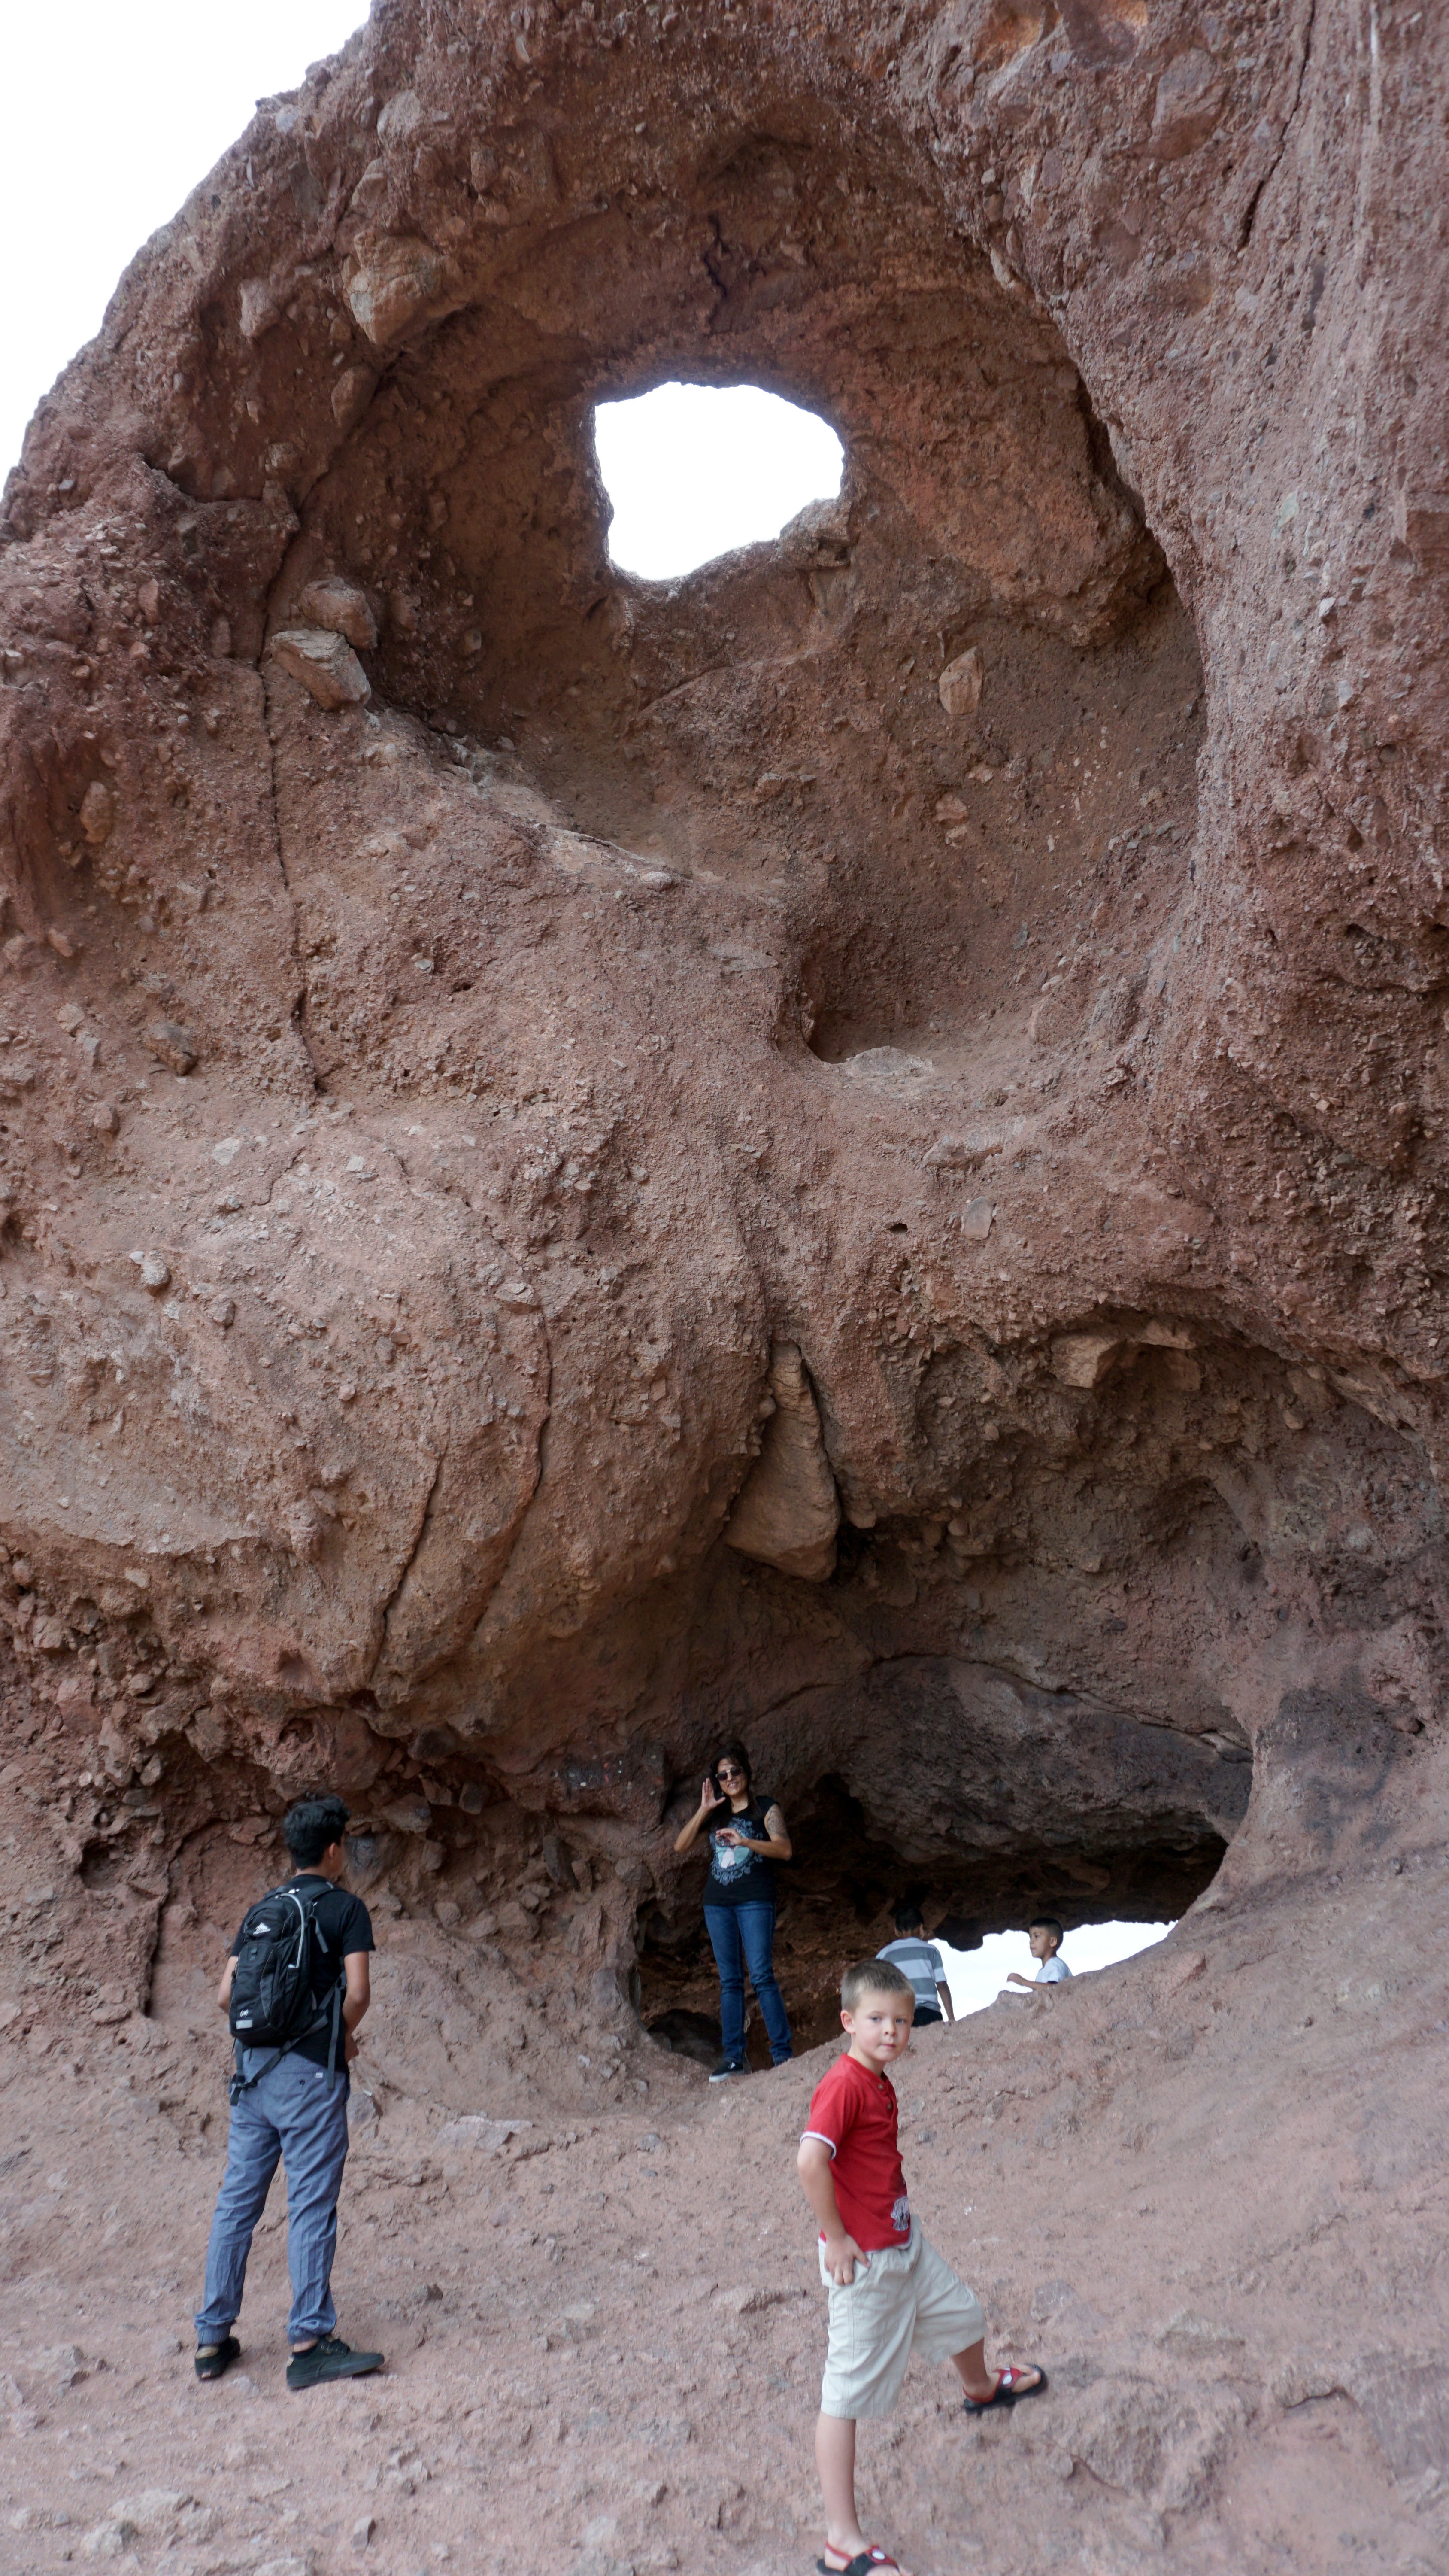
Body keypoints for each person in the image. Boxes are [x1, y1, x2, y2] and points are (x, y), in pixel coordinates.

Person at [797, 1959, 1046, 2576]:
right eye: (877, 2019)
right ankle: (841, 2542)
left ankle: (981, 2389)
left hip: (904, 2242)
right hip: (866, 2262)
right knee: (845, 2393)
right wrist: (835, 2239)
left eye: (902, 2021)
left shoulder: (878, 2079)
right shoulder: (847, 2083)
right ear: (848, 2021)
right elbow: (810, 2161)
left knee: (964, 2315)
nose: (891, 2031)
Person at [194, 1792, 384, 2391]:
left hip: (251, 2076)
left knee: (237, 2203)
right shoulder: (345, 1909)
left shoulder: (261, 1910)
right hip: (309, 2077)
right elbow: (358, 1994)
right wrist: (340, 2039)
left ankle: (211, 2339)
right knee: (310, 2204)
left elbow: (226, 1998)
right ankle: (308, 2341)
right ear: (333, 1850)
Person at [673, 1740, 793, 2081]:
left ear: (746, 1771)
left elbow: (784, 1849)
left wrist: (745, 1842)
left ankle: (783, 2055)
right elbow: (679, 1846)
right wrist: (703, 1809)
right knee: (729, 1981)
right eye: (723, 1774)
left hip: (756, 1898)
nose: (730, 1778)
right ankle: (733, 2058)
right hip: (718, 1904)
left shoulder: (765, 1807)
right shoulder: (716, 1815)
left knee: (761, 1974)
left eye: (735, 1770)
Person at [875, 1902, 955, 2027]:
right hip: (930, 2014)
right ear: (921, 1929)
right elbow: (942, 1984)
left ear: (896, 1931)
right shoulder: (931, 1951)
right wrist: (951, 2018)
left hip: (899, 2014)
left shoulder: (884, 1955)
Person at [1006, 1916, 1072, 1991]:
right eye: (1030, 1937)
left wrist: (1023, 1982)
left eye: (1037, 1936)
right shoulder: (1045, 1970)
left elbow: (1054, 1989)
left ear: (1053, 1942)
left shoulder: (1055, 1965)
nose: (1031, 1941)